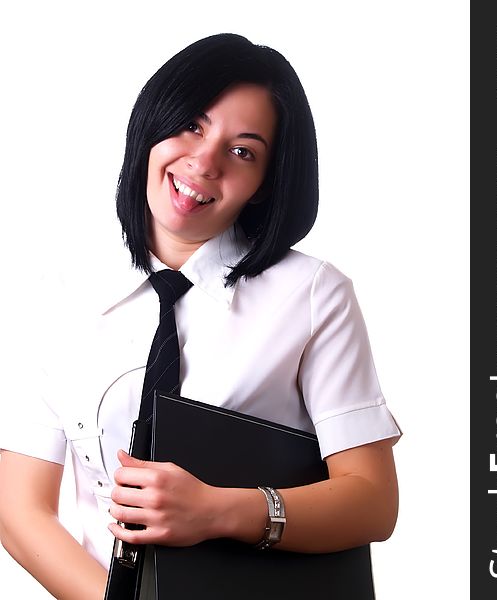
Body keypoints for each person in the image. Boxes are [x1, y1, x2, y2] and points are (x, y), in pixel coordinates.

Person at [0, 33, 401, 600]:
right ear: (152, 122)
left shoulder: (313, 296)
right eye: (191, 124)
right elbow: (19, 511)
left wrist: (220, 511)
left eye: (243, 151)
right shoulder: (61, 294)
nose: (204, 161)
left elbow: (372, 502)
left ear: (265, 183)